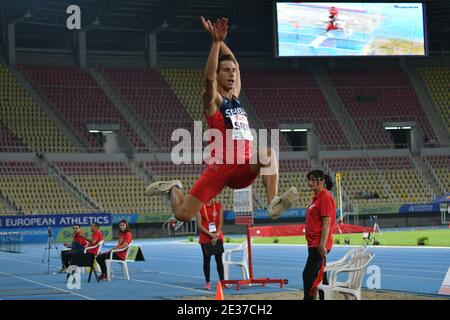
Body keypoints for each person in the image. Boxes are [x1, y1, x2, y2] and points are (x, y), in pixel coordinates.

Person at [145, 16, 298, 223]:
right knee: (183, 215)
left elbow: (234, 61)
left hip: (244, 166)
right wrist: (216, 44)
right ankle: (173, 187)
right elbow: (208, 78)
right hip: (220, 168)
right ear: (218, 75)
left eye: (233, 71)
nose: (232, 74)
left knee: (268, 154)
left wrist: (218, 40)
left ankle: (272, 203)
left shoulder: (235, 97)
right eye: (226, 71)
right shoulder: (212, 101)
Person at [303, 170, 336, 300]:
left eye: (312, 180)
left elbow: (326, 223)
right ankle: (324, 297)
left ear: (321, 181)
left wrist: (322, 245)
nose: (310, 183)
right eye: (309, 180)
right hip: (314, 243)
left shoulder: (325, 197)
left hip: (319, 244)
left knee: (308, 275)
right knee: (321, 274)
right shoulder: (316, 198)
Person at [197, 198, 226, 290]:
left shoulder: (218, 206)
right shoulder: (199, 207)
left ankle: (222, 282)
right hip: (205, 237)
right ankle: (207, 282)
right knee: (206, 260)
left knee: (219, 260)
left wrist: (216, 235)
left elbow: (221, 223)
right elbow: (199, 225)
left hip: (217, 235)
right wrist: (211, 235)